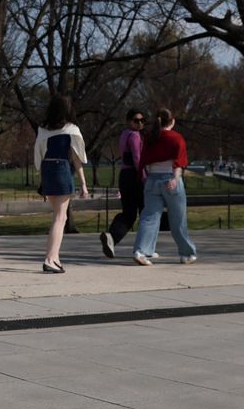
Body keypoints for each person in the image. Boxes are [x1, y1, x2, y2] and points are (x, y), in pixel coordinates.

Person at [132, 108, 197, 265]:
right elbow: (179, 162)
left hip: (152, 180)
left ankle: (141, 251)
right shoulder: (176, 138)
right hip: (170, 180)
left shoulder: (150, 138)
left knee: (149, 218)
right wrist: (175, 178)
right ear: (172, 121)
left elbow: (144, 162)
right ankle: (186, 253)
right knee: (178, 219)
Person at [33, 94, 90, 274]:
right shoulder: (71, 129)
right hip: (61, 168)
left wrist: (41, 178)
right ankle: (50, 259)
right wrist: (83, 183)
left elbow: (39, 154)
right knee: (60, 218)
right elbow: (77, 158)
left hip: (47, 169)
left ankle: (54, 257)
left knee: (59, 217)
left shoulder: (43, 129)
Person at [100, 109, 146, 258]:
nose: (139, 123)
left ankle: (112, 237)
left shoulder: (124, 134)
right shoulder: (134, 136)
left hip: (124, 175)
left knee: (129, 212)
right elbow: (137, 159)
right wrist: (144, 177)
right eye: (136, 120)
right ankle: (145, 247)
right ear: (128, 121)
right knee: (146, 211)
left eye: (142, 120)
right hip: (134, 176)